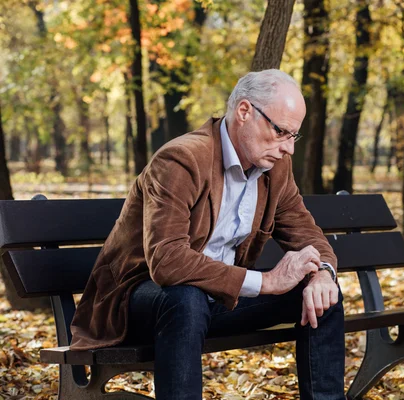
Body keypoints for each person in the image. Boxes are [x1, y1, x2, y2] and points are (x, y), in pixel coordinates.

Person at [70, 69, 345, 400]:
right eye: (281, 132)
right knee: (186, 298)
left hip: (214, 301)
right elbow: (167, 263)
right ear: (244, 112)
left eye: (294, 137)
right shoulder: (181, 160)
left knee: (322, 296)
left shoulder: (274, 168)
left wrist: (324, 275)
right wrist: (268, 282)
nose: (288, 148)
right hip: (138, 303)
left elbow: (308, 234)